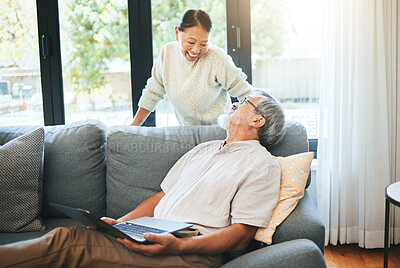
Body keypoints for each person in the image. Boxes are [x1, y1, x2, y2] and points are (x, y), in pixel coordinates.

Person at [0, 91, 285, 268]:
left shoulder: (261, 165)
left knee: (69, 242)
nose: (236, 103)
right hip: (155, 236)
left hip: (190, 253)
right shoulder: (204, 149)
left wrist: (180, 246)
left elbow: (241, 236)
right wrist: (121, 225)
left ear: (258, 121)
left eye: (245, 101)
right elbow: (162, 197)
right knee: (81, 236)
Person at [131, 9, 253, 126]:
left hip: (220, 131)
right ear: (177, 33)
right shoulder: (167, 53)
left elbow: (246, 92)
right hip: (187, 132)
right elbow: (153, 92)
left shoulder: (217, 58)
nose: (196, 50)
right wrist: (134, 126)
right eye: (190, 42)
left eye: (203, 44)